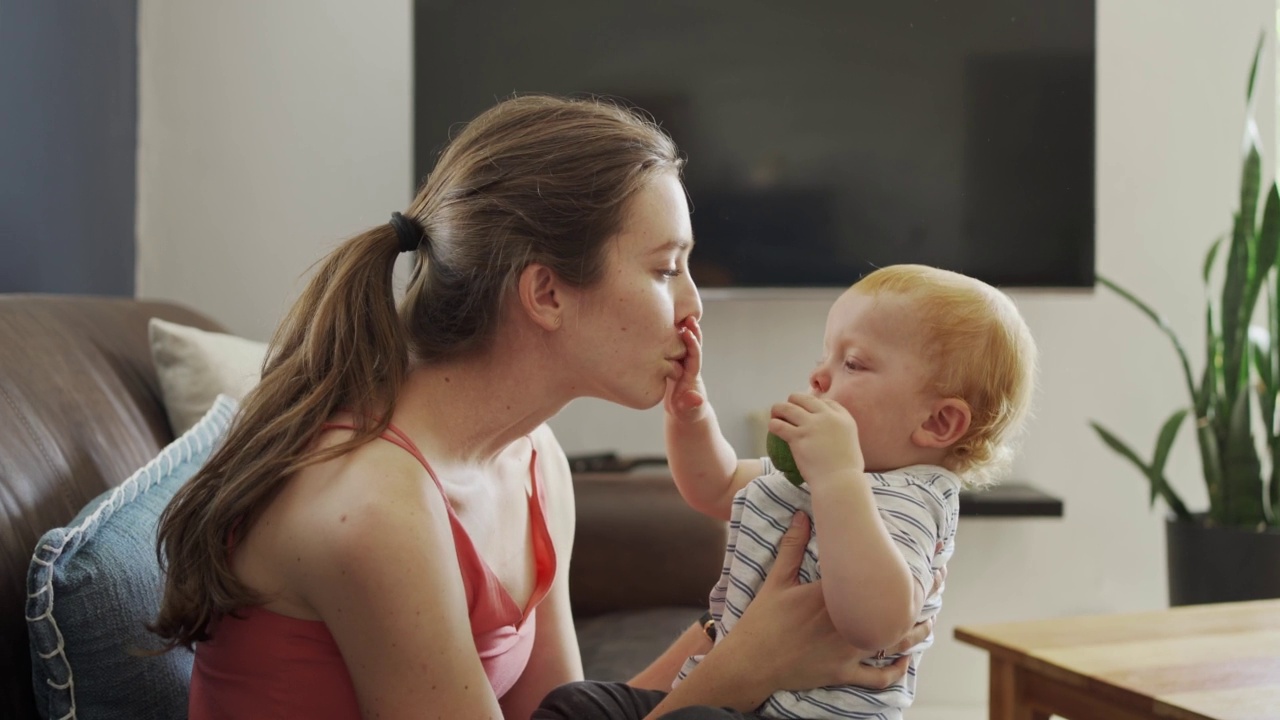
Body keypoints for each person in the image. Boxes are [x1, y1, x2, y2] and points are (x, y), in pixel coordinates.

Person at [148, 95, 936, 720]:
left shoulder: (532, 458)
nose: (693, 307)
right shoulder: (373, 507)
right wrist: (741, 668)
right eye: (666, 270)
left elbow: (563, 716)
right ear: (547, 292)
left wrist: (737, 633)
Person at [536, 264, 1038, 719]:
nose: (819, 376)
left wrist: (839, 481)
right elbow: (718, 486)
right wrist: (690, 414)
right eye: (826, 355)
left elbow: (876, 625)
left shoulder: (911, 499)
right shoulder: (815, 475)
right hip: (734, 695)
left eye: (854, 364)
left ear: (938, 421)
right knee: (576, 704)